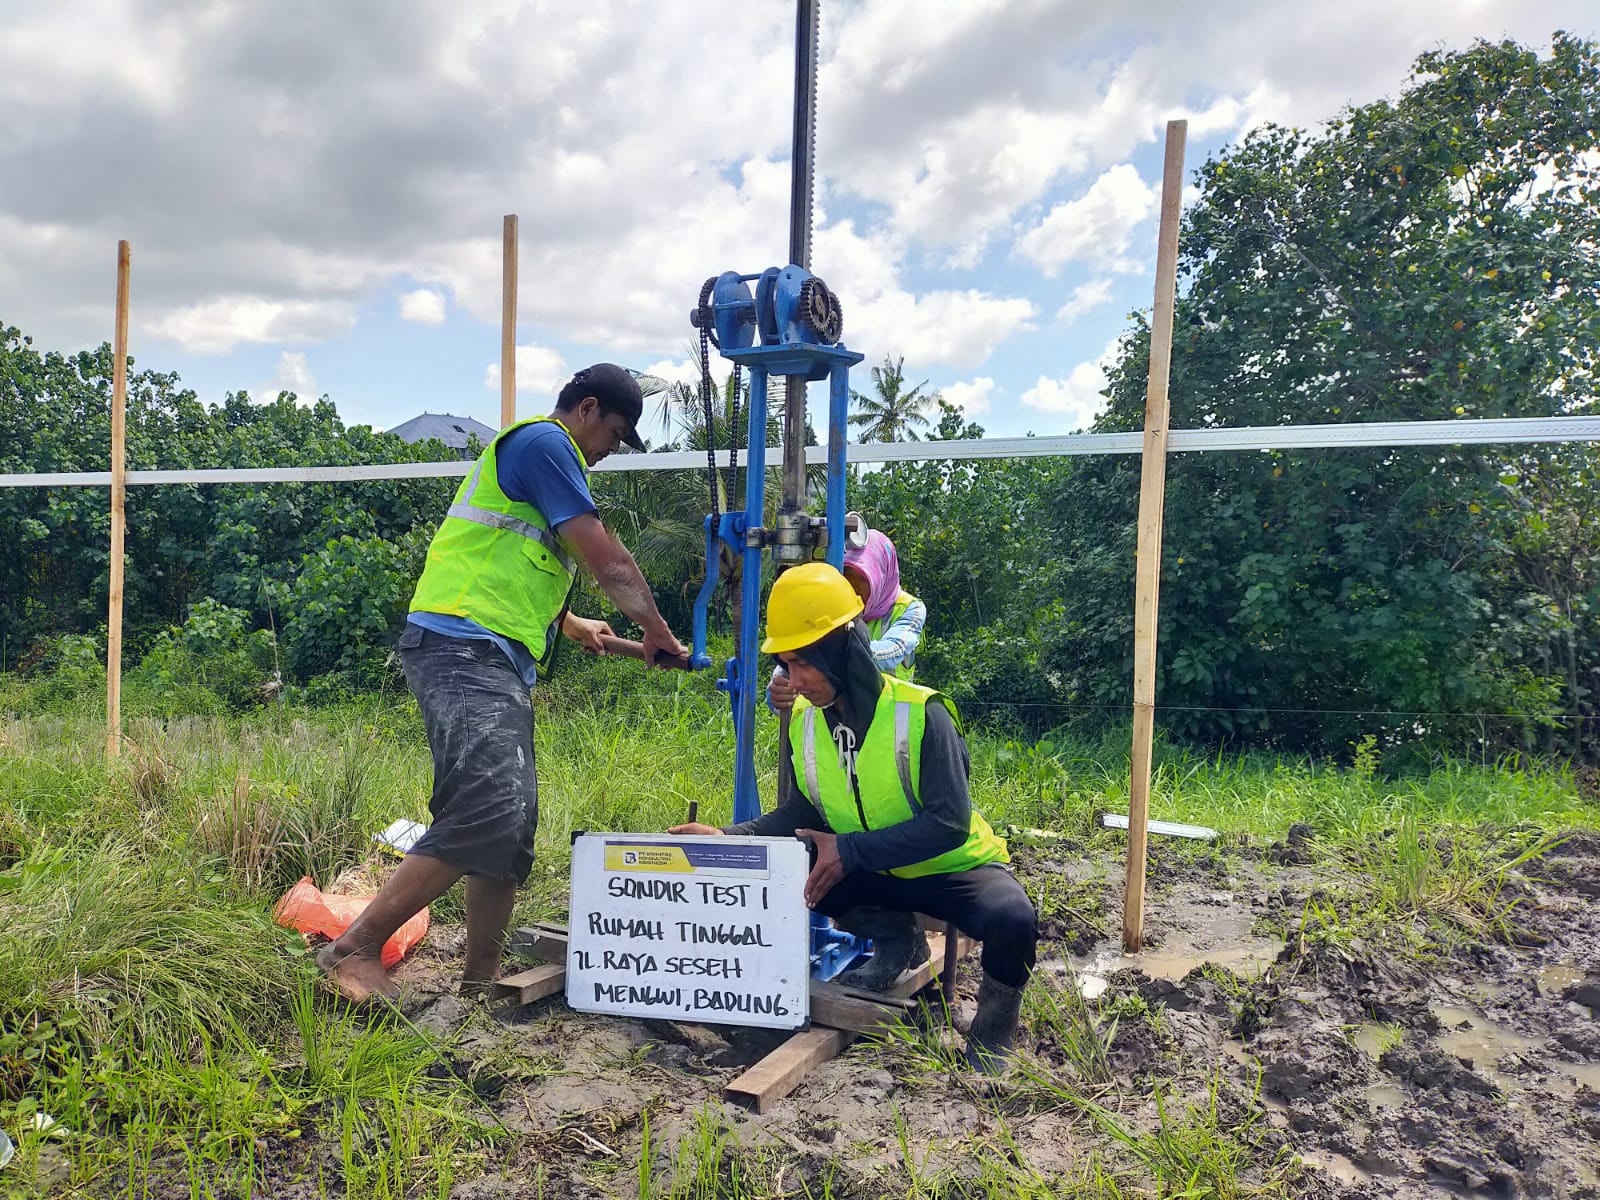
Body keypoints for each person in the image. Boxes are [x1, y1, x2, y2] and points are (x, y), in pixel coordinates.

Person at [318, 364, 688, 1003]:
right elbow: (607, 559)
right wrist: (655, 628)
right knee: (488, 806)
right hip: (463, 645)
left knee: (510, 826)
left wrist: (570, 623)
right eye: (614, 433)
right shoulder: (548, 444)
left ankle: (479, 981)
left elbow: (510, 558)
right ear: (587, 408)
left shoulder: (541, 461)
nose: (607, 452)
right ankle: (351, 948)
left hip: (491, 650)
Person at [673, 562, 1036, 1073]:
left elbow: (949, 821)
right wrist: (726, 836)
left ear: (840, 649)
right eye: (785, 666)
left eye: (803, 664)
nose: (794, 682)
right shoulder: (807, 724)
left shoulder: (922, 714)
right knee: (791, 863)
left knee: (1013, 918)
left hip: (950, 870)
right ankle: (895, 940)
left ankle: (994, 1032)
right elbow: (801, 813)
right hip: (875, 875)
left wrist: (850, 851)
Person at [768, 529, 925, 711]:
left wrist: (830, 651)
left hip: (891, 712)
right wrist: (780, 685)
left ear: (880, 577)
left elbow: (891, 652)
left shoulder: (910, 608)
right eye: (847, 578)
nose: (854, 588)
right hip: (837, 713)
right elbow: (798, 648)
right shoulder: (831, 607)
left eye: (863, 579)